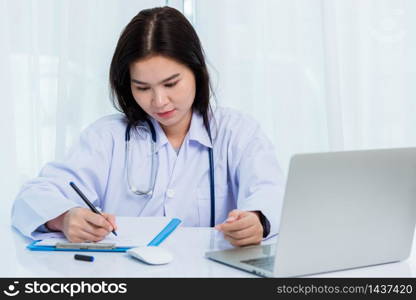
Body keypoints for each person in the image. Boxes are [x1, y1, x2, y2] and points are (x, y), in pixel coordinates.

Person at [11, 6, 285, 247]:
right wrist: (64, 217)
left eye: (171, 83)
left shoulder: (238, 132)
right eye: (142, 87)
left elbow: (272, 194)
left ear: (197, 72)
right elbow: (32, 197)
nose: (159, 101)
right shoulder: (107, 137)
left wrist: (258, 220)